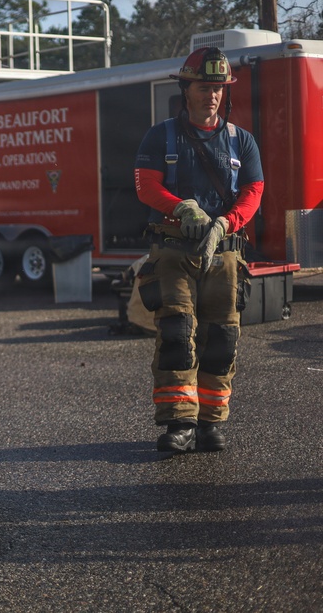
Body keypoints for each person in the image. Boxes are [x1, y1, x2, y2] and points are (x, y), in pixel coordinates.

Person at [133, 47, 264, 453]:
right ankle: (180, 423)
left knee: (222, 339)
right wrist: (181, 207)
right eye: (204, 88)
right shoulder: (160, 136)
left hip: (224, 257)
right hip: (173, 253)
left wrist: (226, 222)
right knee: (177, 334)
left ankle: (210, 424)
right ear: (186, 89)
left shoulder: (241, 141)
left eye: (219, 89)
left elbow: (253, 191)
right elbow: (145, 185)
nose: (213, 95)